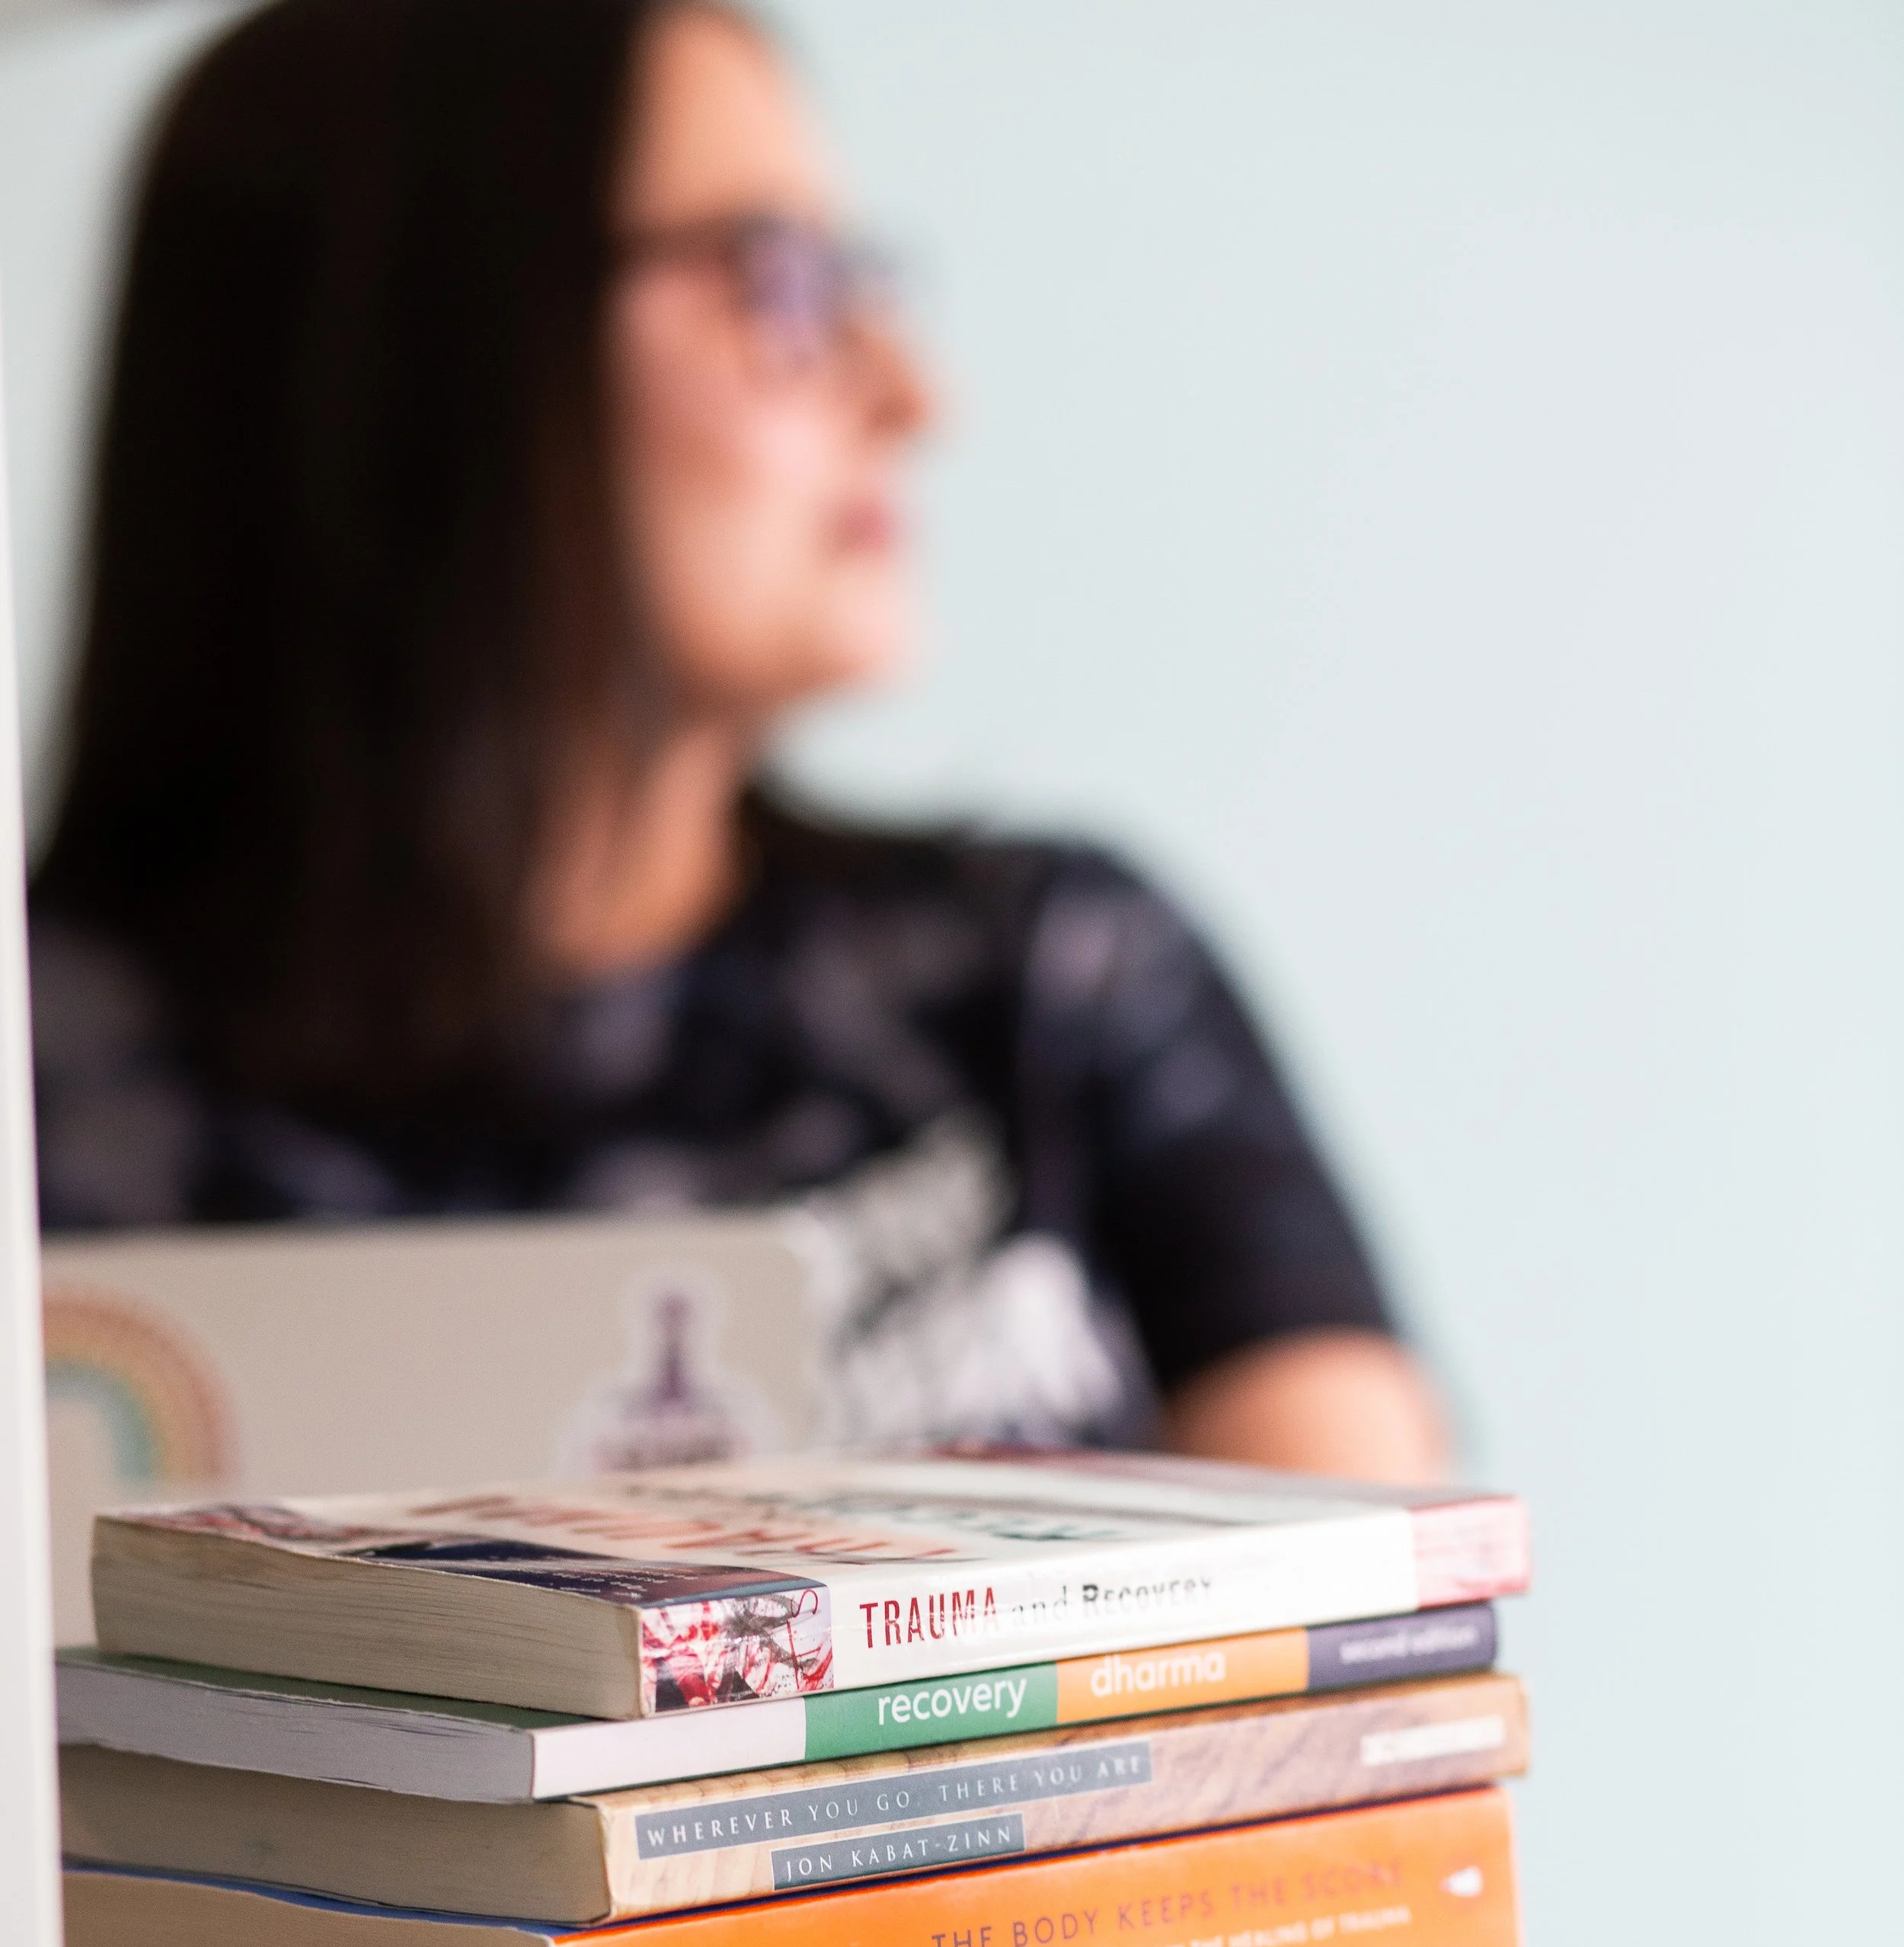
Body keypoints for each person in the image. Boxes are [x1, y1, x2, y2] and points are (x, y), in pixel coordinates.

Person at [30, 0, 1445, 1478]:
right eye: (773, 279)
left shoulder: (1056, 982)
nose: (908, 393)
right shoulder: (50, 1090)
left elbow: (1385, 1658)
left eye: (860, 281)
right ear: (428, 335)